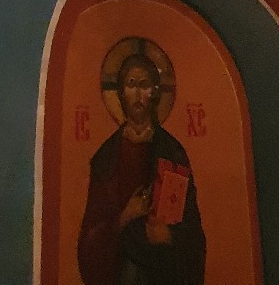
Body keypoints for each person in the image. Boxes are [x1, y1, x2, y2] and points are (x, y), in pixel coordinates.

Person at [78, 55, 206, 285]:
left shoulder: (172, 152)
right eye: (131, 84)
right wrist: (124, 217)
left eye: (144, 84)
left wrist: (169, 235)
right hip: (122, 272)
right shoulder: (106, 157)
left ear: (154, 92)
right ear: (121, 93)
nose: (137, 94)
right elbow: (89, 239)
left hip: (163, 273)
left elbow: (193, 232)